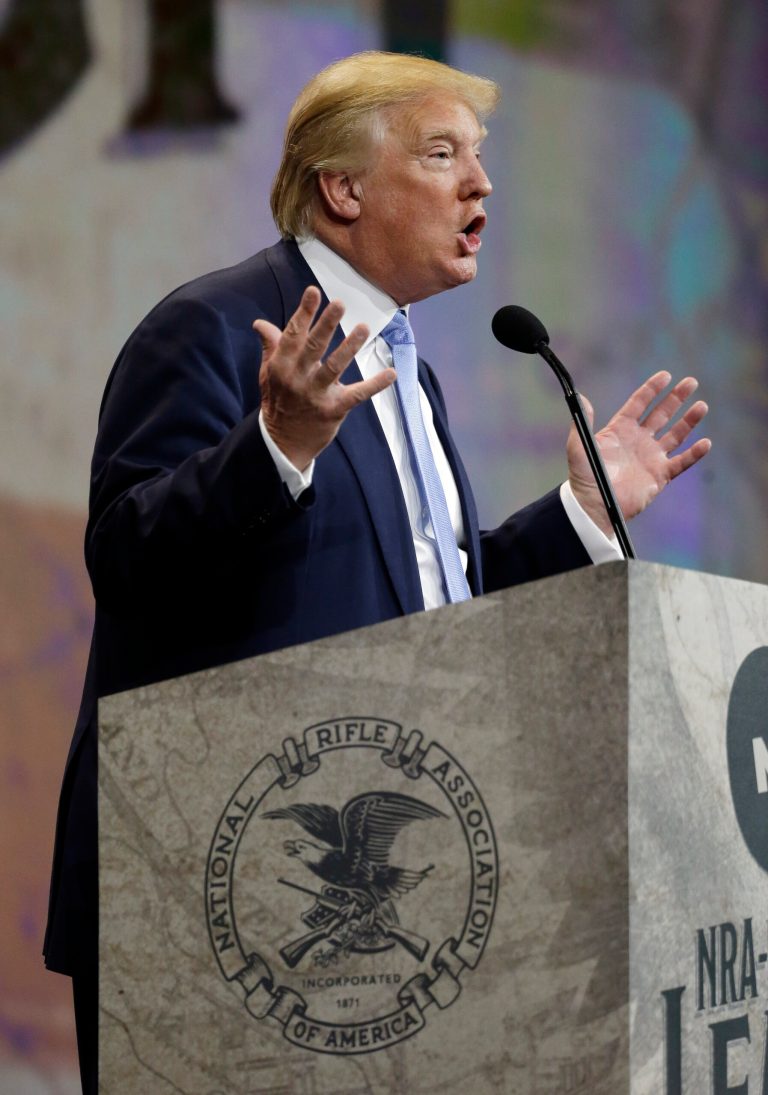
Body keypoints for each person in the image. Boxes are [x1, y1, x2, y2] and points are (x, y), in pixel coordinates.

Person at [43, 51, 710, 1092]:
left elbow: (430, 612)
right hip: (212, 901)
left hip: (371, 930)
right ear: (344, 189)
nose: (481, 184)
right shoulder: (214, 328)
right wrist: (274, 447)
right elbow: (128, 557)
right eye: (443, 155)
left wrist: (582, 513)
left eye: (480, 158)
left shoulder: (410, 369)